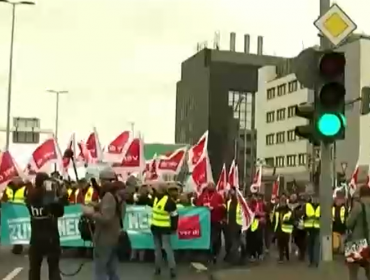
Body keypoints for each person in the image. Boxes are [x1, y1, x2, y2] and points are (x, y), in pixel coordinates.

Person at [82, 168, 124, 280]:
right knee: (111, 270)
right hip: (114, 236)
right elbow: (112, 211)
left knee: (100, 271)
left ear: (105, 181)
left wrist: (90, 213)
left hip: (105, 238)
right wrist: (96, 205)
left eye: (101, 181)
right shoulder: (118, 195)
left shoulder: (109, 196)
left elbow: (106, 217)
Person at [26, 172, 65, 280]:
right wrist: (59, 196)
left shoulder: (30, 196)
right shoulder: (50, 197)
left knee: (34, 269)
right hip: (51, 237)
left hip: (35, 237)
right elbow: (60, 212)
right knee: (53, 268)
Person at [148, 181, 178, 279]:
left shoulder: (157, 199)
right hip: (163, 228)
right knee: (167, 248)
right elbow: (174, 216)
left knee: (158, 250)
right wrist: (174, 228)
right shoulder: (168, 201)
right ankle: (171, 269)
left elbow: (174, 216)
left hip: (157, 228)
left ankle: (158, 269)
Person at [195, 182, 225, 263]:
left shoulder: (218, 196)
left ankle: (215, 254)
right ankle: (208, 254)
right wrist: (203, 207)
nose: (210, 187)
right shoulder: (203, 196)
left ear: (214, 187)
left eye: (212, 186)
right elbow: (197, 206)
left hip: (215, 220)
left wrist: (215, 208)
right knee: (207, 238)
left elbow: (223, 207)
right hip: (205, 221)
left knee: (215, 238)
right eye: (209, 186)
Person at [346, 185, 370, 280]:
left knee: (353, 272)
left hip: (357, 242)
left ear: (360, 194)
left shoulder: (358, 206)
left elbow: (349, 223)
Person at [272, 195, 293, 263]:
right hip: (280, 229)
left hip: (286, 229)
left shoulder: (288, 210)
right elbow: (275, 220)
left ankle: (286, 256)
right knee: (281, 244)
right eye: (281, 201)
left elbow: (291, 219)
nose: (282, 203)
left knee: (285, 243)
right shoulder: (278, 210)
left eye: (283, 201)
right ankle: (281, 258)